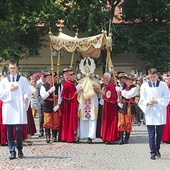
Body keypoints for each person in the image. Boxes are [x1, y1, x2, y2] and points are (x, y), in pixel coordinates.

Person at [0, 62, 31, 159]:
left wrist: (26, 97)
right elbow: (1, 94)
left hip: (18, 107)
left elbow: (27, 91)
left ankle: (20, 149)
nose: (12, 70)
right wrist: (10, 89)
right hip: (9, 107)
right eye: (10, 68)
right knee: (9, 131)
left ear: (17, 68)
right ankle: (12, 151)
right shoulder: (4, 81)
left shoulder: (23, 80)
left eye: (13, 68)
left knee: (18, 130)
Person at [138, 68, 170, 160]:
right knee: (151, 134)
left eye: (154, 77)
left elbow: (167, 97)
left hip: (160, 112)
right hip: (150, 112)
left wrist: (158, 101)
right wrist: (147, 102)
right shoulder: (144, 86)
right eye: (151, 77)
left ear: (157, 75)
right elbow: (142, 99)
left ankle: (157, 148)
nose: (152, 79)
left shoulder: (163, 85)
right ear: (148, 76)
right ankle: (152, 152)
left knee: (159, 133)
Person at [77, 74, 100, 144]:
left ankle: (90, 136)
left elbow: (98, 92)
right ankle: (83, 135)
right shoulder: (81, 82)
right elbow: (77, 90)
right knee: (83, 119)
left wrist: (95, 89)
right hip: (84, 103)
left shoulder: (95, 81)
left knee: (92, 119)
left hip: (92, 102)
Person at [97, 73, 119, 144]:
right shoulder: (105, 85)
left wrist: (99, 90)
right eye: (104, 78)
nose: (104, 80)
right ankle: (104, 136)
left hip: (110, 107)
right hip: (104, 105)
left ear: (109, 78)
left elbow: (109, 95)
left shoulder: (111, 86)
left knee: (109, 122)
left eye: (106, 78)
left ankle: (109, 137)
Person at [40, 72, 62, 143]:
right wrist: (50, 91)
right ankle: (48, 136)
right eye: (48, 78)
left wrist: (58, 105)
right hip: (47, 105)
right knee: (47, 121)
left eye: (51, 77)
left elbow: (60, 96)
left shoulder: (58, 86)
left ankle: (54, 136)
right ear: (45, 79)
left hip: (55, 104)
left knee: (55, 121)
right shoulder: (43, 86)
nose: (49, 79)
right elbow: (43, 96)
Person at [59, 70, 79, 143]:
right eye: (71, 75)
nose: (73, 76)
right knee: (68, 120)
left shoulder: (72, 83)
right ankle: (68, 137)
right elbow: (68, 97)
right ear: (68, 76)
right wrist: (77, 92)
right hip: (68, 107)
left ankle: (72, 135)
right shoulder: (67, 84)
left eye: (74, 75)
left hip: (72, 105)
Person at [117, 74, 138, 145]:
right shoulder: (123, 87)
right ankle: (121, 138)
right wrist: (119, 101)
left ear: (131, 81)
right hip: (122, 106)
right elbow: (119, 96)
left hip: (129, 106)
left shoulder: (134, 88)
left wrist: (121, 92)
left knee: (128, 122)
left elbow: (128, 95)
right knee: (121, 122)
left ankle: (126, 138)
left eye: (127, 79)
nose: (126, 80)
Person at [36, 72, 46, 137]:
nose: (42, 78)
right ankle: (41, 131)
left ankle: (47, 130)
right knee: (41, 118)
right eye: (41, 76)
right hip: (41, 104)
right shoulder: (39, 85)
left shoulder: (48, 84)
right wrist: (41, 101)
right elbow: (38, 95)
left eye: (43, 76)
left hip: (47, 103)